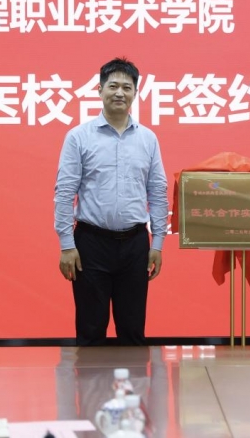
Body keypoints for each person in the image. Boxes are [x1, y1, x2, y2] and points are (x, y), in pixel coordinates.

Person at [54, 57, 168, 346]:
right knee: (90, 330)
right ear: (100, 89)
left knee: (133, 330)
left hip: (135, 244)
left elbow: (157, 191)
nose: (119, 93)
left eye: (127, 87)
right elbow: (65, 192)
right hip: (90, 244)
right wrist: (66, 245)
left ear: (135, 93)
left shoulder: (148, 139)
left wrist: (157, 244)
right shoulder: (78, 137)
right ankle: (91, 379)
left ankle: (133, 380)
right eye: (113, 86)